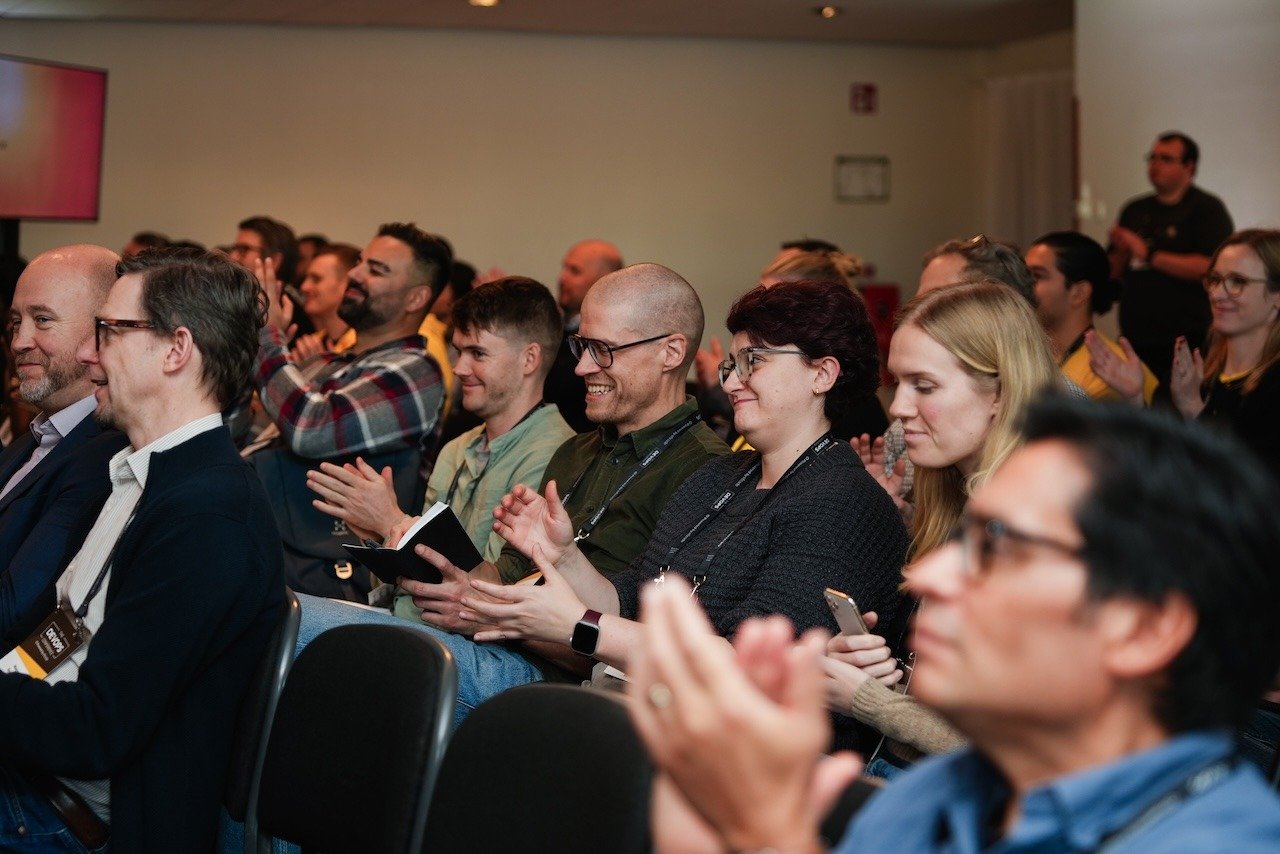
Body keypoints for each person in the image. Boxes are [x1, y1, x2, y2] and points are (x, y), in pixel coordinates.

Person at [630, 395, 1280, 853]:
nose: (927, 578)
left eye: (999, 547)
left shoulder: (1219, 842)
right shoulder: (941, 794)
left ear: (1142, 627)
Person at [458, 280, 908, 744]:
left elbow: (751, 664)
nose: (730, 381)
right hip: (636, 712)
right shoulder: (720, 476)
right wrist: (563, 554)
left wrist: (580, 628)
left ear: (823, 374)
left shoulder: (843, 502)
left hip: (721, 748)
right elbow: (630, 602)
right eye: (733, 364)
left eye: (754, 361)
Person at [295, 263, 726, 721]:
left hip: (562, 689)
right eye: (582, 346)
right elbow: (500, 578)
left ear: (671, 352)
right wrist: (464, 591)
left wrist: (489, 612)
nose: (581, 367)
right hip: (493, 649)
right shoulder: (577, 452)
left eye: (602, 350)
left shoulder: (706, 471)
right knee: (296, 619)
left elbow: (630, 646)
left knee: (299, 627)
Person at [0, 247, 284, 852]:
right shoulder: (143, 476)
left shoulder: (208, 514)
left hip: (74, 822)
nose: (86, 354)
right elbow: (60, 638)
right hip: (35, 782)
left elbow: (96, 731)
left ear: (176, 350)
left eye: (107, 331)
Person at [833, 280, 1060, 773]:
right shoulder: (958, 507)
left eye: (925, 386)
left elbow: (1030, 750)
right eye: (899, 384)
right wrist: (874, 670)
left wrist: (869, 700)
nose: (898, 408)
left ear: (999, 392)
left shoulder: (1039, 530)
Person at [305, 276, 574, 569]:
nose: (459, 368)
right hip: (409, 612)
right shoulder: (458, 447)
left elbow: (496, 589)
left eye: (477, 353)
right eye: (459, 351)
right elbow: (417, 583)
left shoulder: (557, 454)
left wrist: (392, 521)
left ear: (529, 359)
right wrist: (383, 534)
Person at [0, 246, 128, 648]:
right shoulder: (32, 440)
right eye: (15, 322)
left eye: (42, 320)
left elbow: (16, 612)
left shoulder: (106, 455)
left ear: (100, 335)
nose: (20, 341)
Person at [1109, 132, 1234, 391]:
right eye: (1152, 157)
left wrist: (1149, 255)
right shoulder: (1134, 209)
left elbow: (1211, 267)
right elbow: (1112, 272)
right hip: (1137, 336)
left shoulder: (1206, 209)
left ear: (1189, 166)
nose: (1155, 165)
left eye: (1166, 159)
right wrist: (1121, 250)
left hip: (1188, 338)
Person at [1171, 228, 1280, 483]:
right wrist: (1133, 396)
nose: (1217, 294)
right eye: (1215, 279)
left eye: (1237, 282)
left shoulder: (1274, 385)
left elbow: (1251, 487)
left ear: (1277, 296)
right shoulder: (1198, 365)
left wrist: (1192, 409)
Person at [1026, 231, 1158, 404]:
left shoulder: (1113, 371)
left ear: (1079, 293)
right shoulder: (1032, 354)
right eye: (1024, 274)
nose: (1024, 284)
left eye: (1037, 276)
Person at [544, 239, 624, 432]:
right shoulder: (555, 327)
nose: (562, 278)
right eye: (564, 268)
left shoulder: (618, 339)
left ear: (603, 280)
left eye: (574, 271)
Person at [291, 242, 359, 359]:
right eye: (306, 278)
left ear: (347, 285)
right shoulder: (308, 344)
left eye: (316, 279)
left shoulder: (360, 347)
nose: (304, 287)